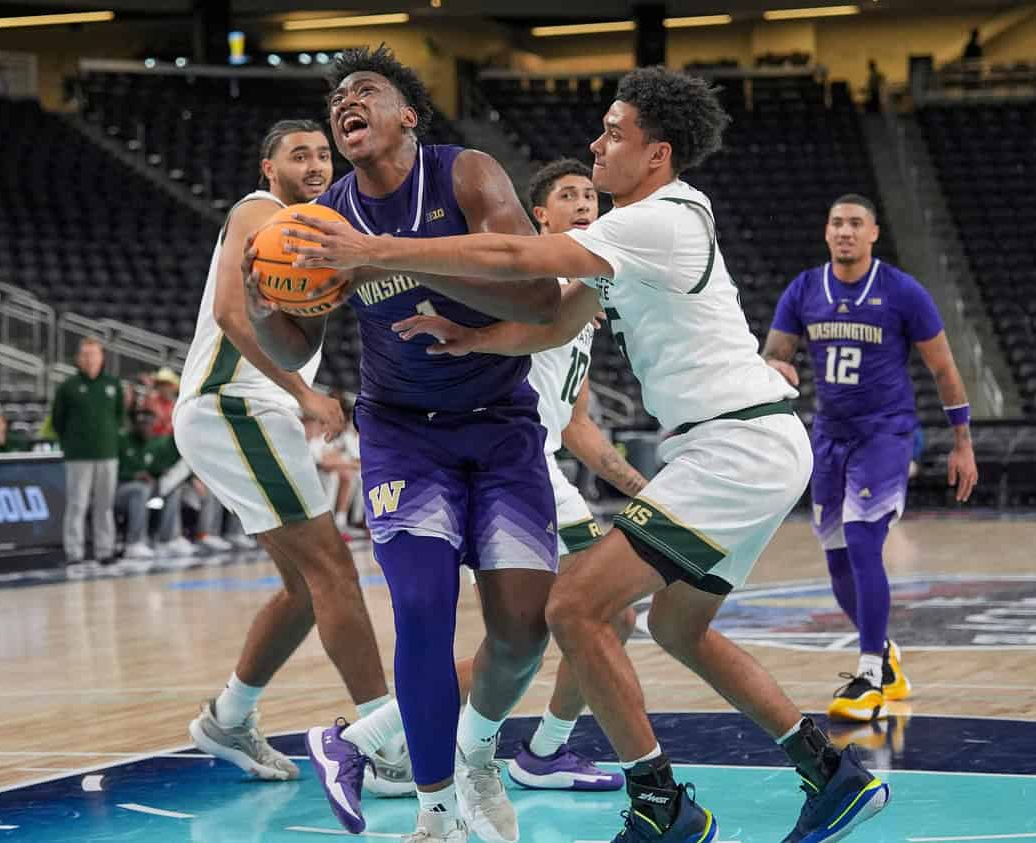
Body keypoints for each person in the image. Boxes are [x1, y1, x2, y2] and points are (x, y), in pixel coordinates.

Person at [289, 66, 892, 843]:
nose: (594, 144)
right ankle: (830, 772)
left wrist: (370, 248)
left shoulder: (661, 219)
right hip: (738, 445)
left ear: (656, 154)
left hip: (736, 442)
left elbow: (519, 261)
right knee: (677, 628)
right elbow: (554, 322)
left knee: (572, 605)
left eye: (613, 133)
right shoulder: (639, 228)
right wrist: (476, 336)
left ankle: (660, 806)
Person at [246, 45, 563, 843]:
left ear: (406, 115)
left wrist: (381, 256)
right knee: (422, 609)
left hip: (500, 428)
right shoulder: (326, 220)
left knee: (524, 630)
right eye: (336, 99)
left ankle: (479, 749)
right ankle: (434, 812)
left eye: (365, 90)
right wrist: (262, 305)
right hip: (400, 435)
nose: (345, 102)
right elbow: (291, 349)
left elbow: (532, 290)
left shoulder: (467, 175)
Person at [353, 158, 647, 793]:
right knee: (585, 615)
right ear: (538, 216)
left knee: (583, 618)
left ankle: (537, 748)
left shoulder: (582, 298)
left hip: (539, 460)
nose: (584, 205)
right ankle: (381, 736)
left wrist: (642, 488)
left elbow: (577, 426)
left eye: (590, 196)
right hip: (501, 456)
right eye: (567, 196)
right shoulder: (524, 285)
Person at [173, 119, 409, 791]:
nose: (313, 163)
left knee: (307, 589)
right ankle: (380, 741)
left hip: (251, 409)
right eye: (297, 153)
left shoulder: (314, 230)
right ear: (267, 166)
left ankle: (228, 716)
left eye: (320, 154)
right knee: (335, 570)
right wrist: (302, 391)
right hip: (233, 402)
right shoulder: (259, 210)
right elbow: (226, 311)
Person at [762, 194, 978, 722]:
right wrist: (776, 368)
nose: (845, 231)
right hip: (828, 436)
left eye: (856, 223)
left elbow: (944, 370)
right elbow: (775, 352)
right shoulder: (805, 289)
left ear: (874, 233)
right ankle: (883, 656)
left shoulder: (902, 292)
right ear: (827, 231)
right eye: (837, 222)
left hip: (884, 434)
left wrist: (963, 442)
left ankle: (868, 676)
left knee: (863, 541)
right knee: (836, 560)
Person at [52, 337, 125, 564]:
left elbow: (119, 417)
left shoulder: (113, 385)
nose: (90, 359)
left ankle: (105, 550)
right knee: (77, 504)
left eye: (94, 354)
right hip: (78, 456)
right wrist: (72, 444)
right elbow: (57, 421)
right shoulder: (68, 387)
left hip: (107, 454)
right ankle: (74, 552)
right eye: (85, 354)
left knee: (105, 505)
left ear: (102, 358)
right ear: (78, 359)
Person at [115, 407, 187, 559]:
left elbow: (151, 468)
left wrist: (160, 471)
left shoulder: (151, 444)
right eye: (142, 423)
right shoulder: (122, 441)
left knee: (171, 490)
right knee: (140, 490)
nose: (146, 427)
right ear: (134, 424)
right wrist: (134, 475)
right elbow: (113, 472)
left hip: (145, 488)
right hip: (120, 489)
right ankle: (134, 543)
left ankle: (166, 540)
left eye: (149, 424)